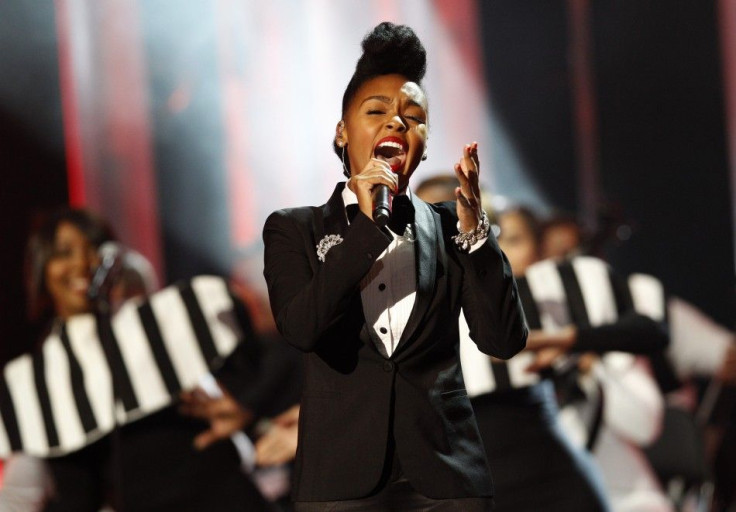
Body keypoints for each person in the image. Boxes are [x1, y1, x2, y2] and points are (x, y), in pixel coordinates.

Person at [262, 22, 528, 511]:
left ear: (425, 142)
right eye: (377, 111)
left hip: (446, 478)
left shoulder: (453, 229)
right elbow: (302, 327)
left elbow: (503, 341)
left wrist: (476, 235)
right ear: (342, 132)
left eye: (413, 116)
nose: (397, 124)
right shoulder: (292, 229)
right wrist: (366, 228)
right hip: (341, 481)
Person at [0, 208, 273, 512]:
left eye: (94, 248)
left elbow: (269, 363)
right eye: (64, 253)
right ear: (41, 267)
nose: (82, 262)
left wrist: (250, 408)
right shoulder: (37, 382)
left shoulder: (166, 321)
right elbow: (76, 496)